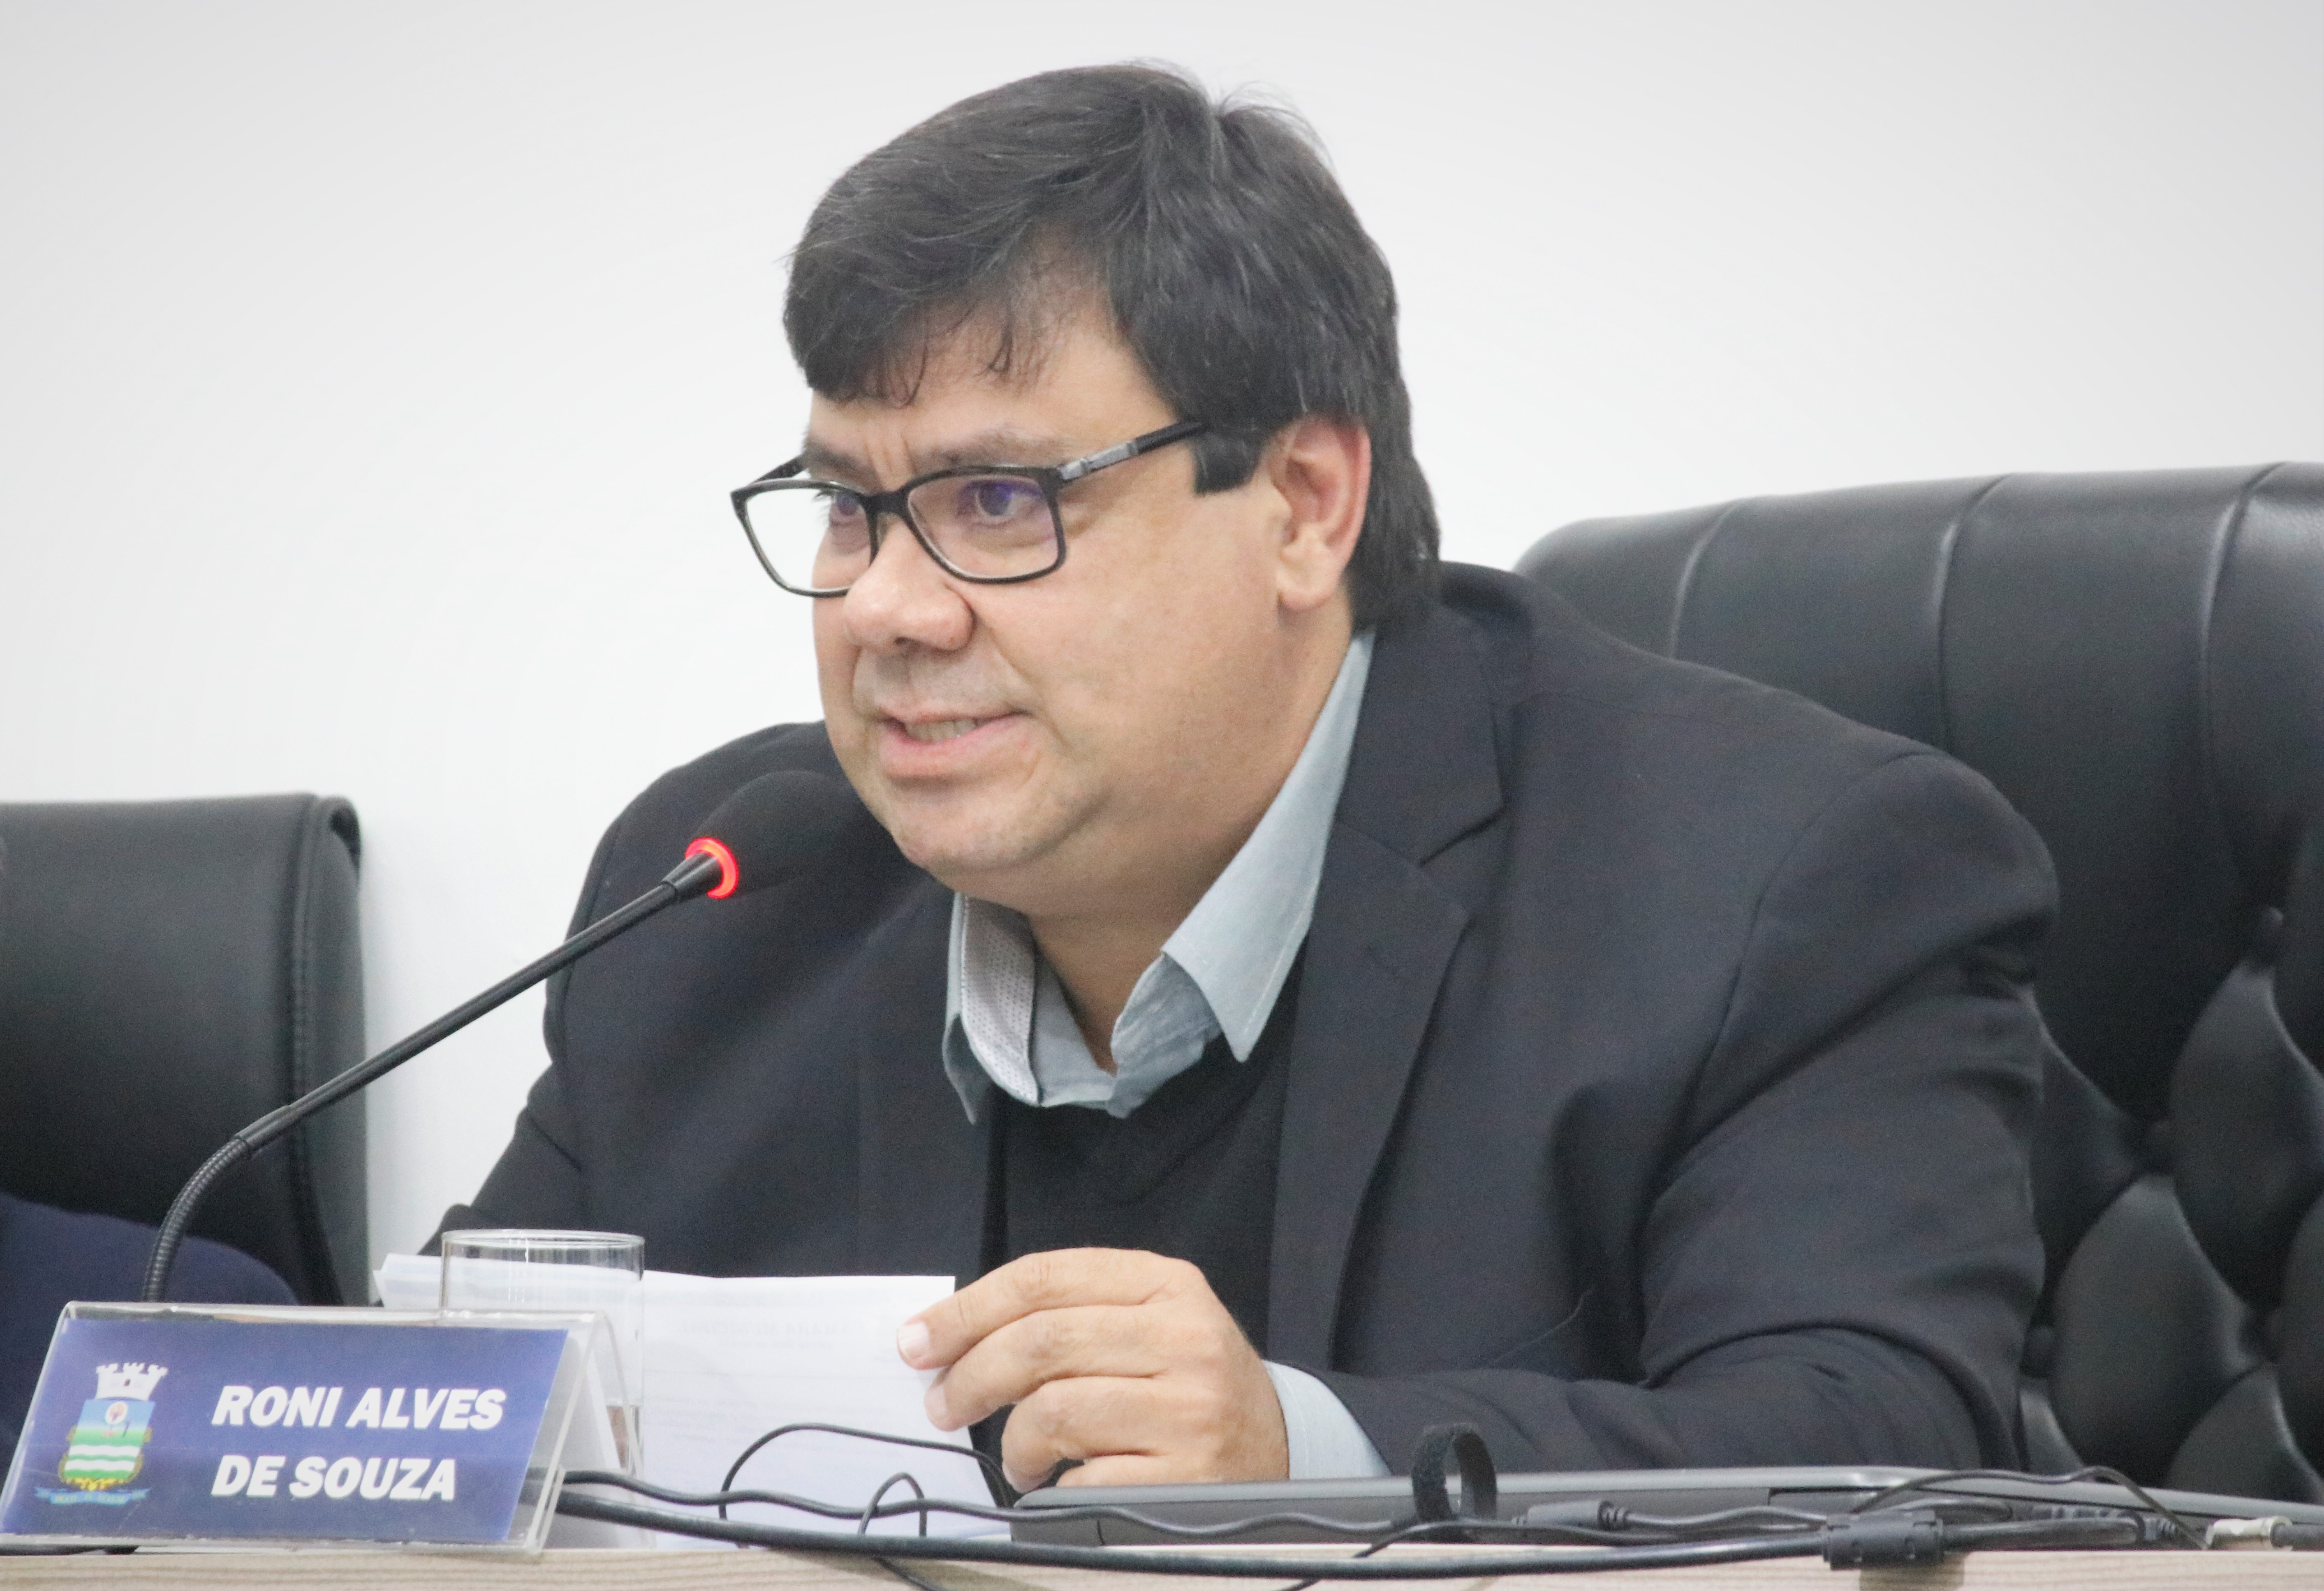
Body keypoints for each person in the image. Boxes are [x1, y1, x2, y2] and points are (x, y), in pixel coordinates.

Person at [454, 63, 2056, 1492]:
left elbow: (1884, 1438)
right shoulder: (720, 896)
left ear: (1301, 504)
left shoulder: (1775, 883)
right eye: (849, 507)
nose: (886, 608)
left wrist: (1310, 1456)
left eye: (999, 500)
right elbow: (445, 1419)